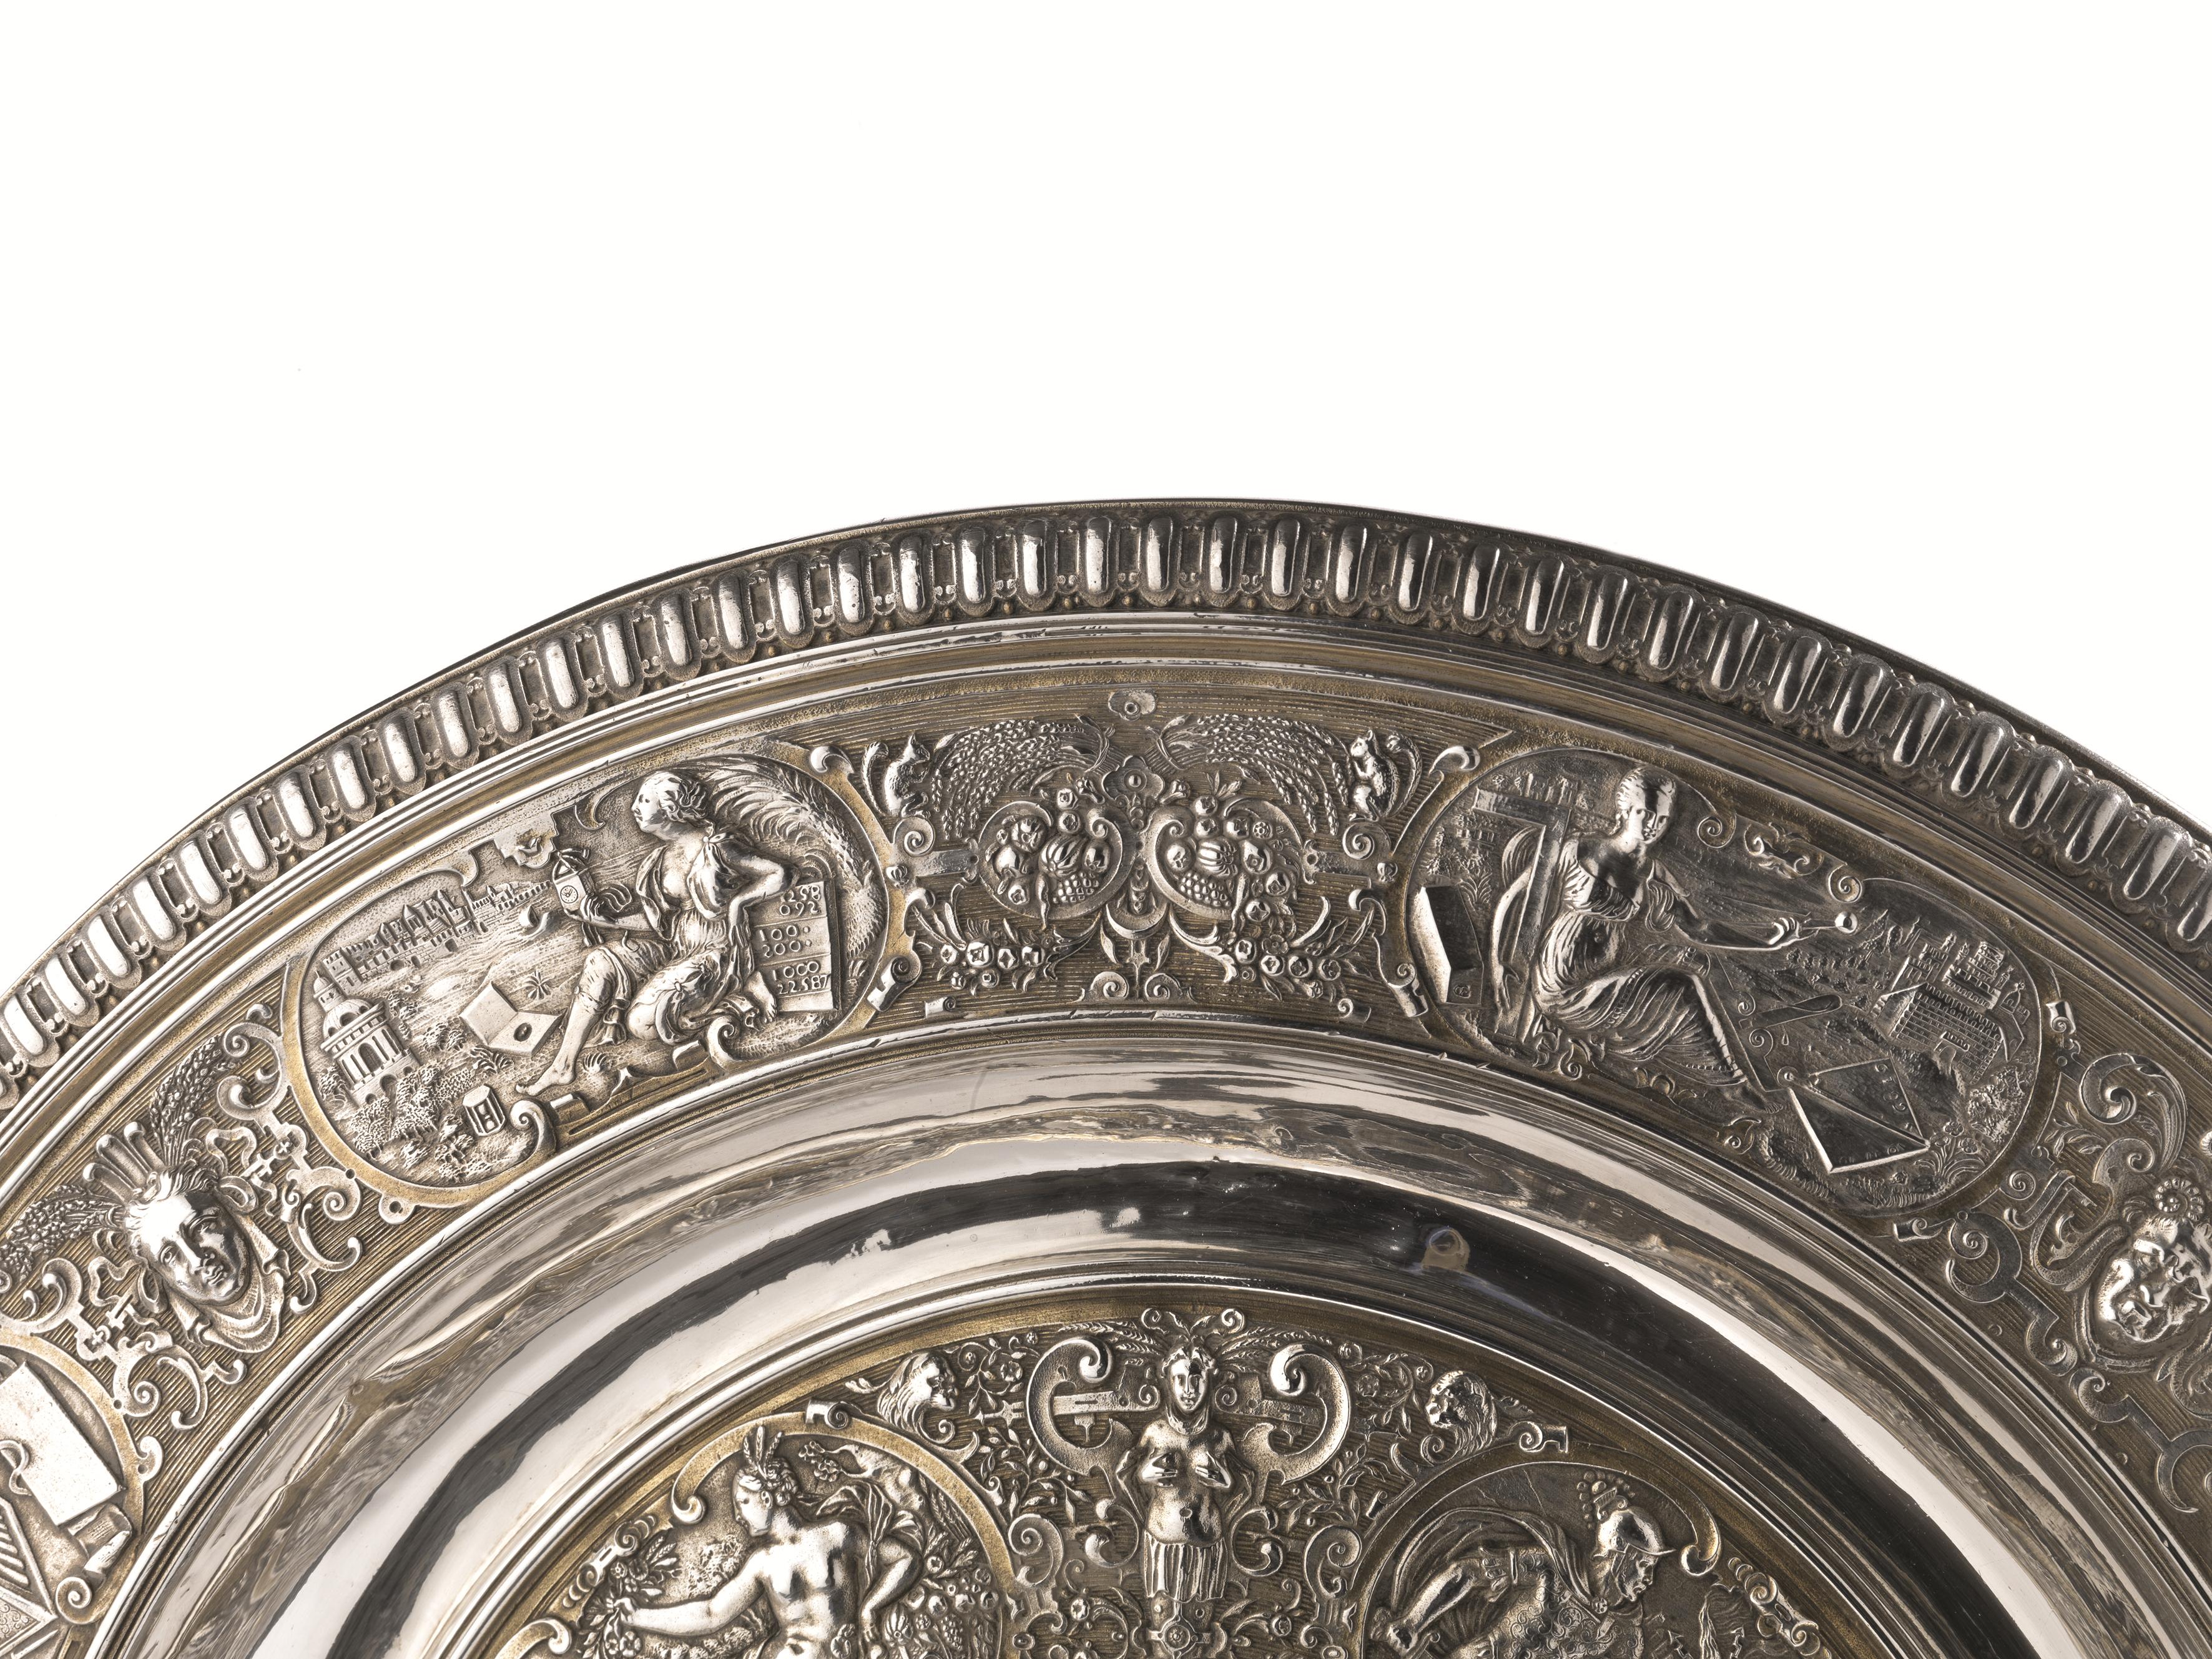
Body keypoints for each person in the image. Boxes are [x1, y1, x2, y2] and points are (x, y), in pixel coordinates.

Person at [1497, 769, 1808, 1098]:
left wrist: (1765, 942)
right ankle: (1733, 1086)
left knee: (1685, 983)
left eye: (1661, 818)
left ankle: (1729, 1084)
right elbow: (1512, 897)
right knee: (1684, 985)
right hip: (1560, 983)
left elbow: (1698, 928)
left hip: (1604, 980)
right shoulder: (1580, 849)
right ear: (1624, 811)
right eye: (1645, 813)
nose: (1652, 825)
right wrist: (1498, 962)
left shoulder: (1653, 872)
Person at [530, 770, 791, 1093]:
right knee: (600, 960)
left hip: (718, 949)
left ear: (670, 806)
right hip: (675, 947)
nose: (635, 807)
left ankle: (743, 990)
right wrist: (606, 921)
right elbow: (660, 925)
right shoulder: (659, 860)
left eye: (644, 800)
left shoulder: (717, 845)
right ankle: (563, 1065)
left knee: (641, 1023)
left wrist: (739, 902)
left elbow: (778, 874)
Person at [621, 1427, 916, 1658]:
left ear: (766, 1497)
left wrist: (869, 1609)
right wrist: (639, 1616)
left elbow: (906, 1559)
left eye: (743, 1502)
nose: (738, 1515)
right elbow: (712, 1613)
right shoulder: (762, 1562)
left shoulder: (838, 1534)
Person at [1379, 1497, 1668, 1659]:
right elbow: (1467, 1571)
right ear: (1620, 1553)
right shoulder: (1552, 1569)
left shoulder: (1627, 1635)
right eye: (1644, 1564)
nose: (1650, 1579)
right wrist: (1412, 1621)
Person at [1127, 1341, 1238, 1635]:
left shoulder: (1220, 1436)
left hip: (1206, 1539)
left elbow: (1249, 1484)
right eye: (1180, 1380)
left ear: (1209, 1382)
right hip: (1162, 1536)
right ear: (1168, 1382)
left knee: (1201, 1623)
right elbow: (1124, 1473)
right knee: (1161, 1619)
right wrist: (1144, 1474)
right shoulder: (1155, 1432)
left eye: (1196, 1380)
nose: (1189, 1390)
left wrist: (1226, 1481)